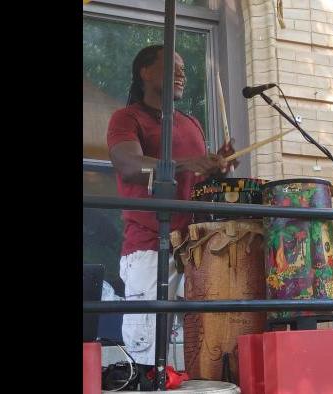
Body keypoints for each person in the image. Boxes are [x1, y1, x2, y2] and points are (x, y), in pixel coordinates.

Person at [106, 45, 237, 389]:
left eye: (183, 68)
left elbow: (197, 180)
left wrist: (218, 168)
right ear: (145, 72)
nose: (182, 73)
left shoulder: (191, 123)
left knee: (193, 347)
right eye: (172, 66)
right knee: (149, 355)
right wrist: (185, 165)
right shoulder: (127, 117)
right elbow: (129, 165)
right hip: (150, 245)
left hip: (195, 246)